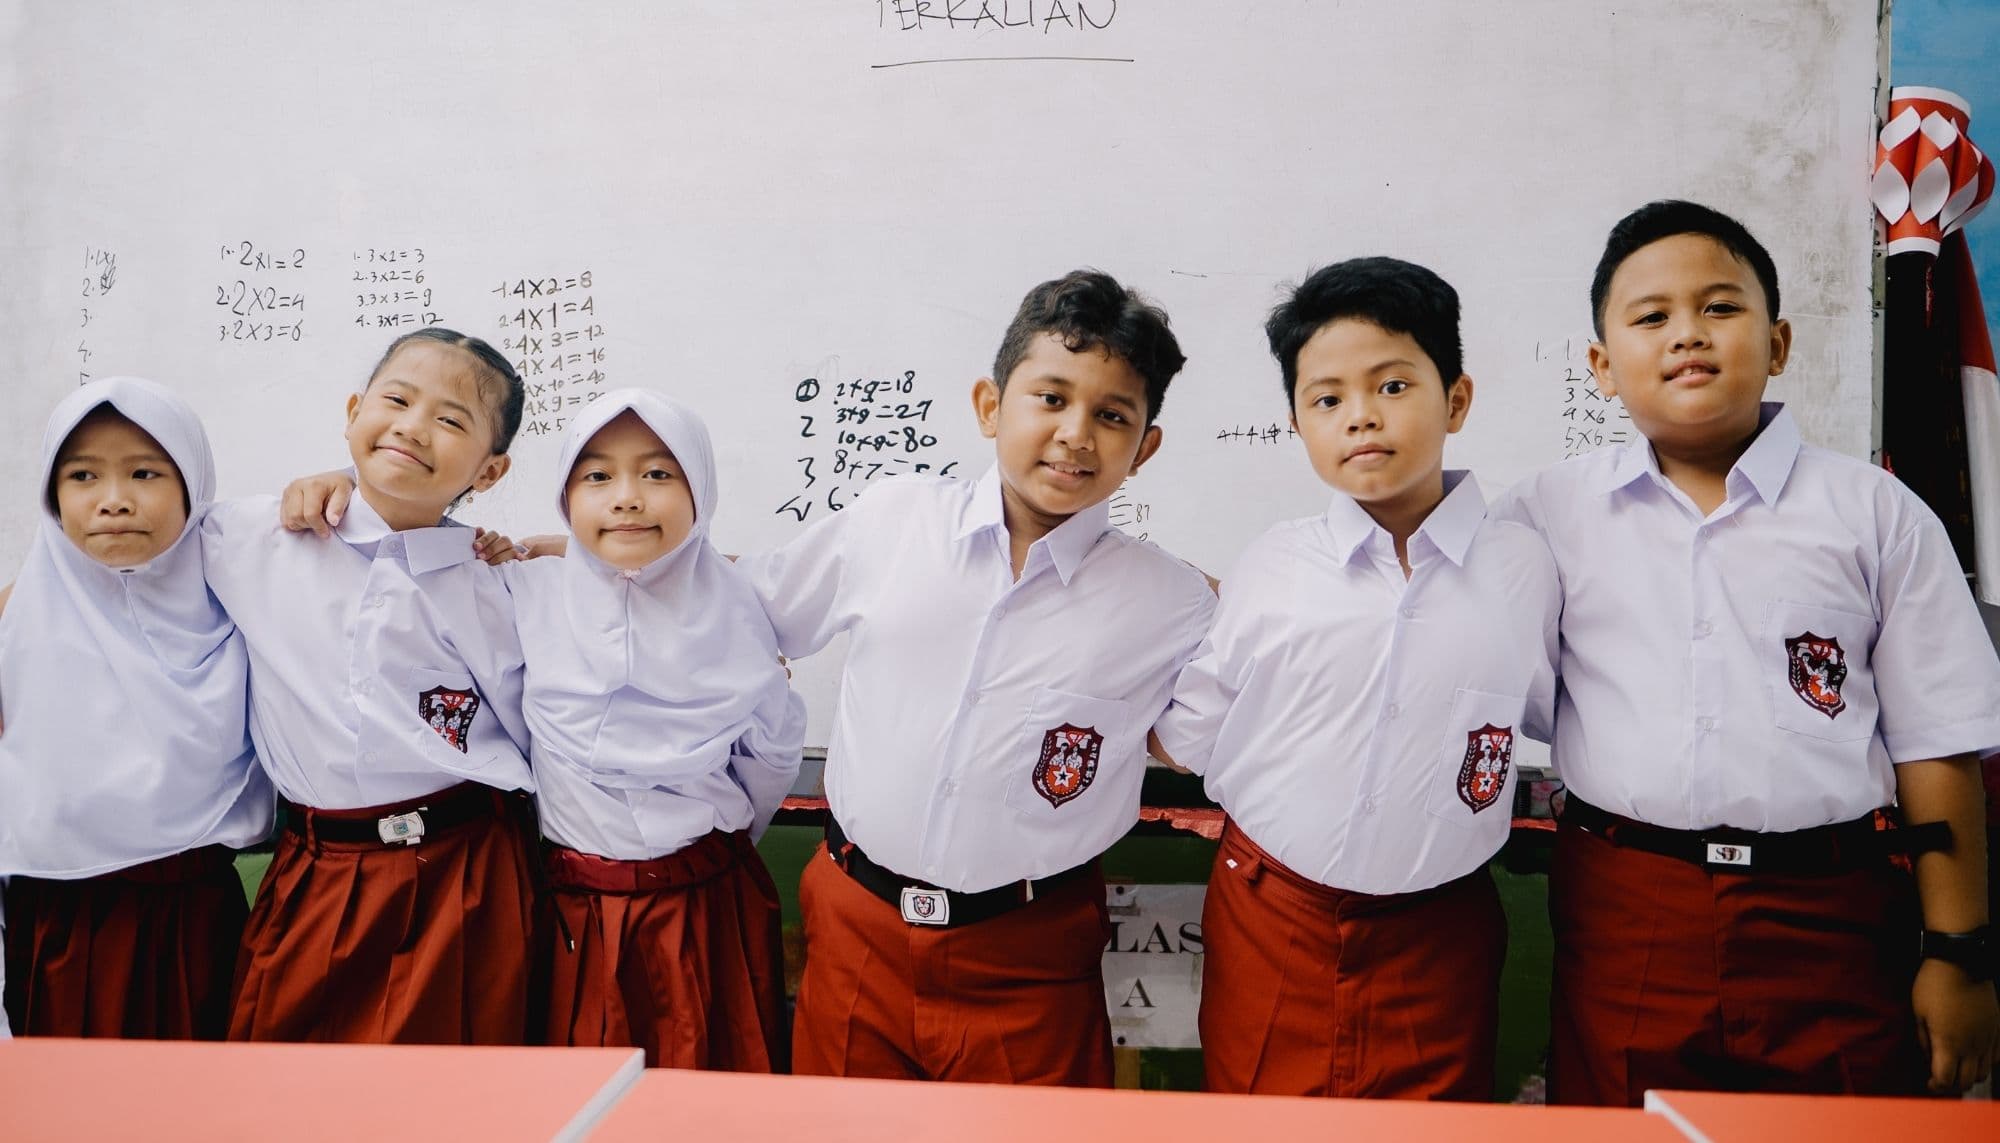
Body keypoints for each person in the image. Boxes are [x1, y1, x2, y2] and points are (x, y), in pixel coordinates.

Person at [1493, 200, 2000, 1101]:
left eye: (1721, 307)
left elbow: (1938, 742)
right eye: (1651, 317)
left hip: (1832, 912)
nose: (1688, 333)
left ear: (1780, 342)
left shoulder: (1874, 515)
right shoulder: (1543, 516)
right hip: (1626, 907)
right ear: (1603, 367)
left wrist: (1958, 954)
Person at [745, 269, 1217, 1084]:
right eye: (1051, 398)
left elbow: (1208, 740)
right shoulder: (893, 521)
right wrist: (595, 563)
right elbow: (748, 609)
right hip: (856, 926)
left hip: (1028, 957)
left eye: (1112, 416)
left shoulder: (1171, 603)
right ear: (991, 406)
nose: (1076, 434)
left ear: (1146, 448)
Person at [1152, 257, 1560, 1098]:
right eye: (1326, 398)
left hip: (1439, 925)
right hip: (1274, 912)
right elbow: (1189, 732)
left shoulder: (1527, 567)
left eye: (1393, 385)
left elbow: (1566, 716)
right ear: (1298, 422)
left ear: (1456, 398)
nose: (1360, 417)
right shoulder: (1274, 565)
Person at [204, 328, 539, 1043]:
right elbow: (94, 564)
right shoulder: (253, 537)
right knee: (281, 1092)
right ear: (354, 410)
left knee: (455, 1101)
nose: (414, 427)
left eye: (452, 420)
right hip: (318, 869)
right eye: (397, 399)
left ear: (490, 471)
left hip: (468, 874)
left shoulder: (496, 586)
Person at [0, 377, 273, 1039]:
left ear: (192, 486)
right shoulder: (13, 623)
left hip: (195, 922)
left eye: (145, 472)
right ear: (52, 495)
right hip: (53, 929)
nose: (114, 501)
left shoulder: (244, 614)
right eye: (83, 475)